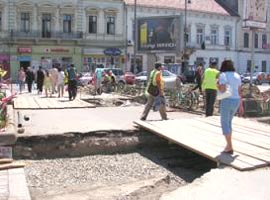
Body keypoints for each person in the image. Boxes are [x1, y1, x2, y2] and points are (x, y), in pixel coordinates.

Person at [218, 60, 243, 154]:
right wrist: (241, 105)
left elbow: (223, 89)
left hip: (227, 100)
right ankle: (228, 145)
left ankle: (230, 146)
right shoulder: (237, 75)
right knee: (229, 122)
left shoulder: (223, 75)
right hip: (236, 101)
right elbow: (240, 91)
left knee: (224, 123)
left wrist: (217, 86)